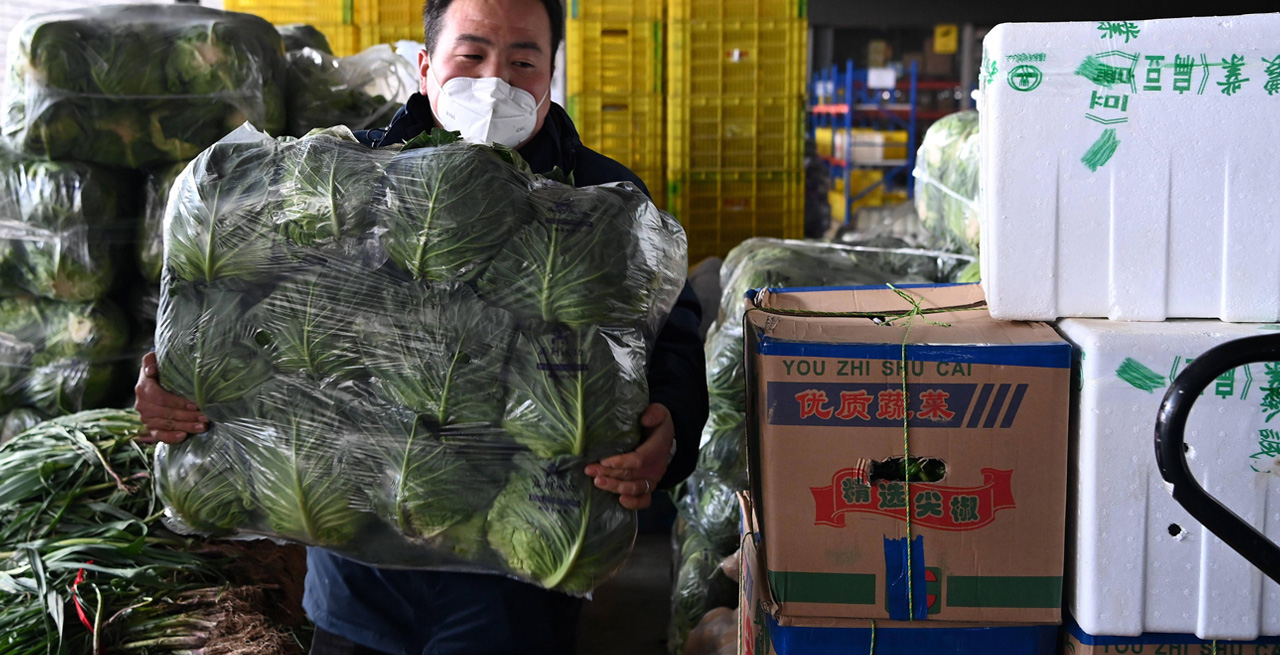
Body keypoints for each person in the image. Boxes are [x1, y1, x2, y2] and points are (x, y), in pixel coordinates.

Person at [133, 0, 709, 653]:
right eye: (472, 55)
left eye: (523, 61)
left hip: (516, 578)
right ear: (427, 66)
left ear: (551, 74)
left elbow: (671, 337)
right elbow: (236, 304)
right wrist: (171, 381)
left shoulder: (605, 201)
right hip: (356, 572)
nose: (495, 81)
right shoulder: (343, 178)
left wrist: (670, 424)